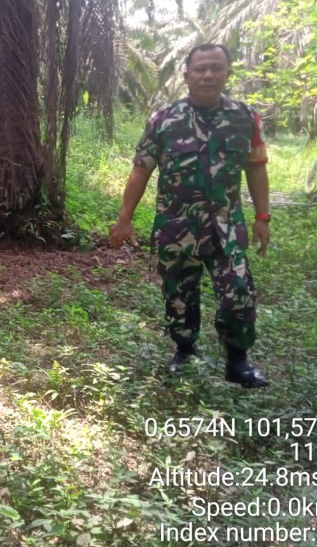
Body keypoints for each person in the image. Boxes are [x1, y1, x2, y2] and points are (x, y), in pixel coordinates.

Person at [109, 43, 270, 388]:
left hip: (227, 225)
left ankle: (238, 362)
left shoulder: (245, 118)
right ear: (186, 75)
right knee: (179, 292)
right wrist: (124, 218)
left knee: (238, 290)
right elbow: (141, 171)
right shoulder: (164, 119)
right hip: (177, 225)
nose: (208, 75)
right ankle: (185, 350)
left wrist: (263, 216)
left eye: (216, 68)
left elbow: (256, 168)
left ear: (228, 73)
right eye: (200, 69)